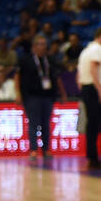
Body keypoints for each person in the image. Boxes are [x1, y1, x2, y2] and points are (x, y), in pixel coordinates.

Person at [16, 33, 61, 164]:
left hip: (47, 96)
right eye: (40, 44)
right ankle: (33, 150)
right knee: (33, 124)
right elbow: (17, 77)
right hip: (31, 96)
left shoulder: (50, 60)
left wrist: (62, 93)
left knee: (46, 124)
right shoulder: (26, 60)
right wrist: (18, 93)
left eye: (44, 44)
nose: (43, 47)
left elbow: (56, 78)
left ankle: (46, 149)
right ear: (34, 46)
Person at [77, 26, 101, 168]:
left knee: (91, 124)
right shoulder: (98, 49)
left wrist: (82, 85)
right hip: (94, 87)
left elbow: (79, 73)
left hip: (86, 87)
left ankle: (92, 158)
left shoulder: (85, 50)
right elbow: (93, 69)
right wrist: (100, 91)